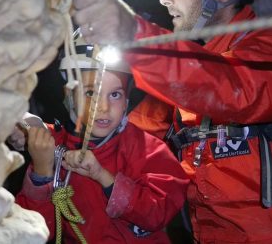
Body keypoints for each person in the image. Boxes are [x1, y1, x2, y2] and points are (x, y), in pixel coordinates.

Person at [72, 0, 272, 243]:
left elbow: (235, 89)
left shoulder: (265, 48)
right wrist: (51, 141)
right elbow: (130, 137)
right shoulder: (185, 76)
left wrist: (134, 33)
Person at [15, 32, 189, 244]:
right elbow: (33, 231)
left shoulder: (149, 150)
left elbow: (158, 212)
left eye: (115, 94)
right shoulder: (54, 147)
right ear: (69, 96)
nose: (103, 108)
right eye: (90, 94)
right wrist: (42, 171)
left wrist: (103, 177)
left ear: (126, 100)